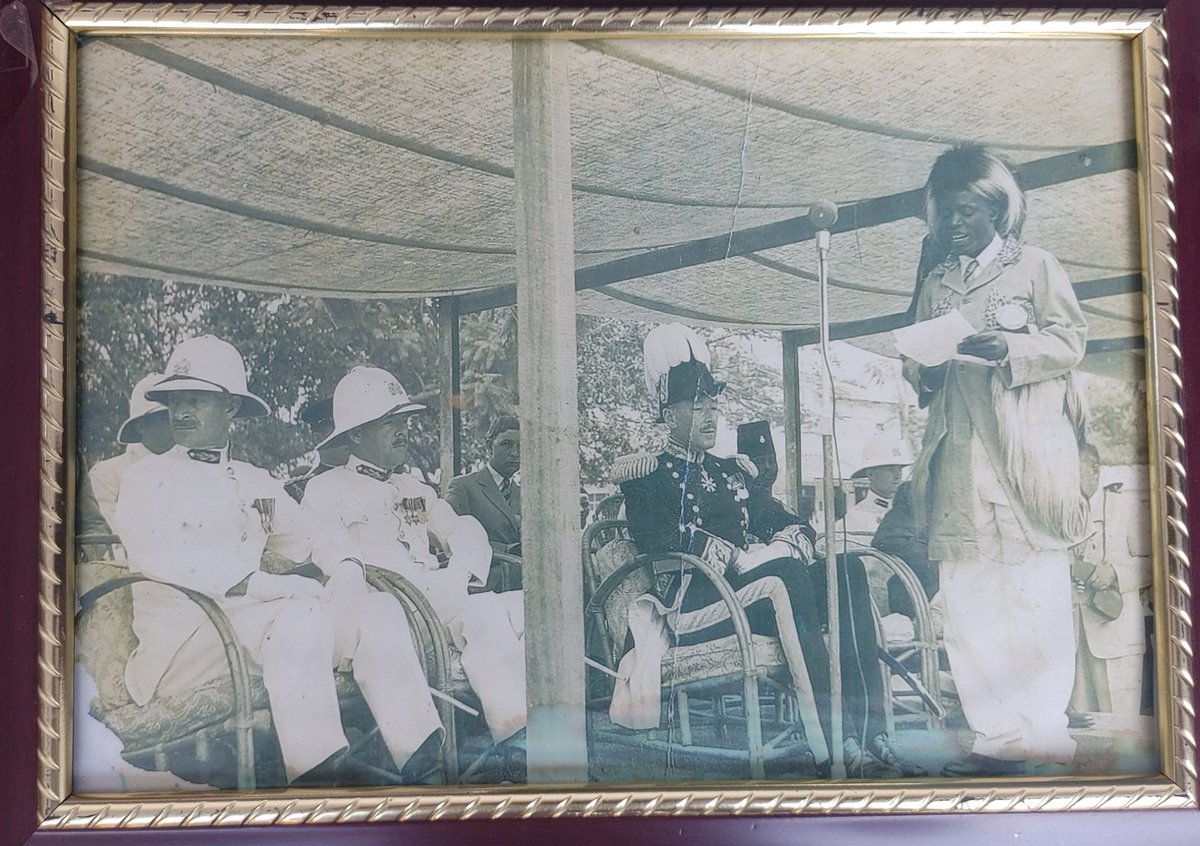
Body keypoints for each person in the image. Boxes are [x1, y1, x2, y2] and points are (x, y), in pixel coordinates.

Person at [114, 336, 441, 786]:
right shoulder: (145, 480)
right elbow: (170, 557)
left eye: (196, 400)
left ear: (231, 407)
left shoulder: (253, 481)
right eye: (176, 401)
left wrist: (347, 566)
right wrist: (264, 584)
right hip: (185, 640)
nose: (181, 412)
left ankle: (423, 761)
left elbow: (314, 532)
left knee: (377, 607)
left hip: (252, 630)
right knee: (299, 612)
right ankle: (317, 773)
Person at [612, 325, 924, 779]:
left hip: (751, 594)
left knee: (847, 571)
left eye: (714, 406)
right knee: (784, 577)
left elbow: (785, 520)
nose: (710, 416)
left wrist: (781, 543)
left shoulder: (730, 471)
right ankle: (832, 744)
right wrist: (740, 558)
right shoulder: (647, 474)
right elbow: (656, 539)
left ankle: (872, 731)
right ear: (669, 415)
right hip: (695, 603)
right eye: (698, 407)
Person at [903, 146, 1089, 776]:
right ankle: (995, 739)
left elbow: (1070, 340)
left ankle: (1044, 739)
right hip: (958, 459)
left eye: (967, 211)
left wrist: (1009, 348)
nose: (954, 225)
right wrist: (924, 370)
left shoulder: (1036, 266)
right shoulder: (936, 282)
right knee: (969, 602)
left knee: (1034, 597)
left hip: (1024, 458)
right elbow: (916, 367)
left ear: (998, 209)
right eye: (944, 214)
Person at [301, 366, 527, 753]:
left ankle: (516, 739)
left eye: (403, 421)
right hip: (381, 613)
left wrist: (463, 572)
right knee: (493, 611)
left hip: (436, 600)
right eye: (389, 423)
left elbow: (462, 527)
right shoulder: (325, 489)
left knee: (490, 611)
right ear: (356, 434)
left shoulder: (413, 487)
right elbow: (329, 558)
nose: (402, 431)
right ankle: (423, 756)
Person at [1069, 444, 1153, 718]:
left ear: (1094, 470)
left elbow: (1157, 563)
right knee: (1084, 733)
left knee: (1121, 728)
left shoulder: (1123, 506)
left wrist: (1115, 573)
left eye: (1072, 469)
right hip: (1076, 645)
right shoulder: (1064, 510)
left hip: (1117, 639)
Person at [81, 373, 176, 530]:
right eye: (166, 418)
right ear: (141, 426)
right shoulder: (108, 474)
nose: (176, 424)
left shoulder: (191, 469)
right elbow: (107, 534)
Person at [444, 415, 523, 590]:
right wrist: (508, 550)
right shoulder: (464, 486)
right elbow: (448, 538)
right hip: (482, 585)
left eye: (520, 446)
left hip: (519, 584)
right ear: (489, 446)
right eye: (507, 444)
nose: (515, 453)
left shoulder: (525, 494)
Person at [842, 440, 913, 539]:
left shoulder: (908, 514)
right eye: (891, 470)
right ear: (871, 474)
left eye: (899, 469)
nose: (898, 476)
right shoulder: (855, 519)